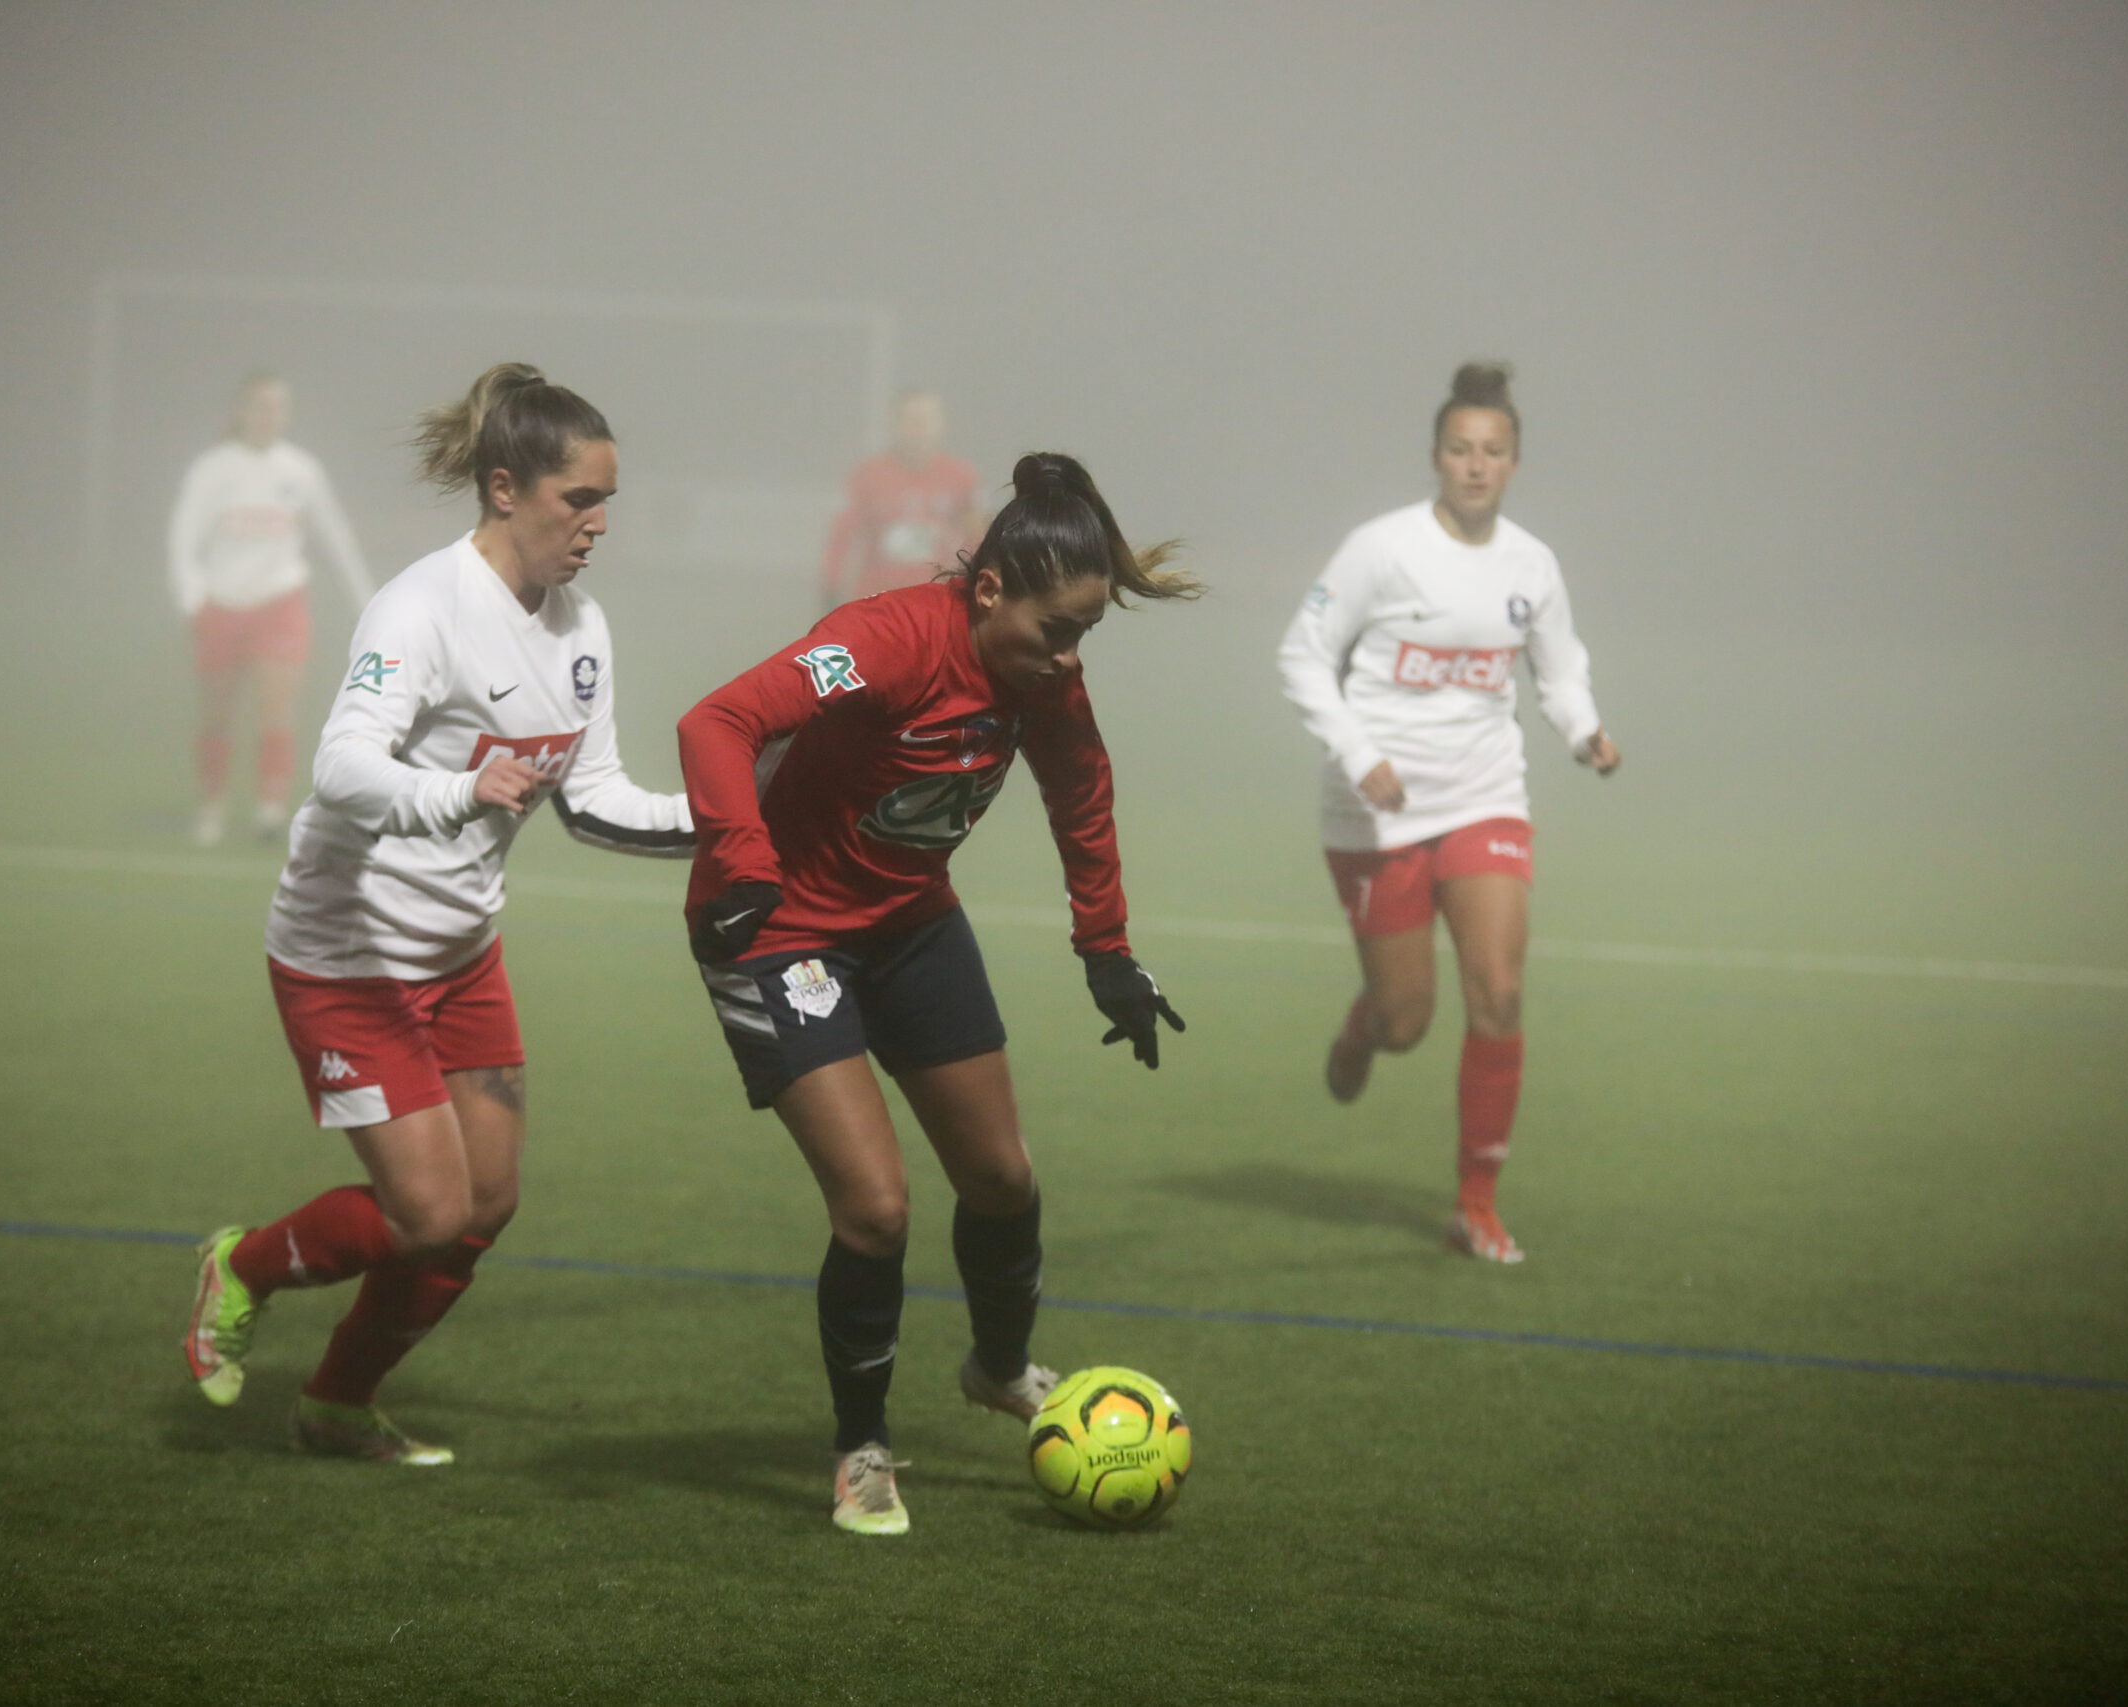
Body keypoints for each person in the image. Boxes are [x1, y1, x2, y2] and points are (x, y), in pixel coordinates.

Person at [182, 363, 695, 1464]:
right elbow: (342, 768)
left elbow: (598, 799)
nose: (598, 523)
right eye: (580, 500)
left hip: (462, 954)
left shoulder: (581, 627)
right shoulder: (420, 608)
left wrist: (734, 821)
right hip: (346, 954)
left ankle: (335, 1405)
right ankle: (243, 1265)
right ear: (505, 488)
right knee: (423, 1213)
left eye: (609, 500)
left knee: (485, 1205)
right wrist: (455, 792)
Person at [679, 452, 1195, 1535]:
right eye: (1054, 629)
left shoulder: (1043, 679)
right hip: (777, 933)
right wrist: (742, 861)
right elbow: (717, 722)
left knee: (1002, 1179)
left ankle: (999, 1367)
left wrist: (1106, 954)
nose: (1065, 659)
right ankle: (861, 1448)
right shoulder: (883, 641)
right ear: (990, 587)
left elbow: (1081, 792)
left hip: (910, 924)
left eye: (1084, 638)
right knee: (874, 1207)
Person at [1277, 361, 1621, 1265]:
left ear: (1514, 463)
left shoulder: (1530, 564)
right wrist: (1362, 754)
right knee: (1406, 1022)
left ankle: (1476, 1203)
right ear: (1437, 456)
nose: (1476, 465)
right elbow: (1302, 656)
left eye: (1493, 451)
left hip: (1484, 794)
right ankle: (1366, 1026)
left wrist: (1583, 729)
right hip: (1375, 805)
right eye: (1461, 449)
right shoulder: (1381, 548)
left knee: (1499, 992)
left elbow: (1558, 666)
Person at [169, 371, 377, 846]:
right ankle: (213, 804)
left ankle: (270, 807)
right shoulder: (212, 469)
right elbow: (183, 535)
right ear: (240, 412)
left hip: (281, 602)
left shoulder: (300, 471)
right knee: (218, 712)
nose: (269, 416)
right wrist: (192, 595)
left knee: (277, 708)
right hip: (222, 604)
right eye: (259, 406)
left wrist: (367, 599)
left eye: (278, 407)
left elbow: (334, 533)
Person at [817, 389, 984, 610]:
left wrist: (977, 584)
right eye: (912, 420)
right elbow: (842, 537)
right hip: (878, 600)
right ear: (895, 424)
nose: (920, 428)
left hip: (937, 601)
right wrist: (831, 587)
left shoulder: (961, 476)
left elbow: (977, 537)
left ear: (941, 423)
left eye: (928, 419)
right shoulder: (867, 475)